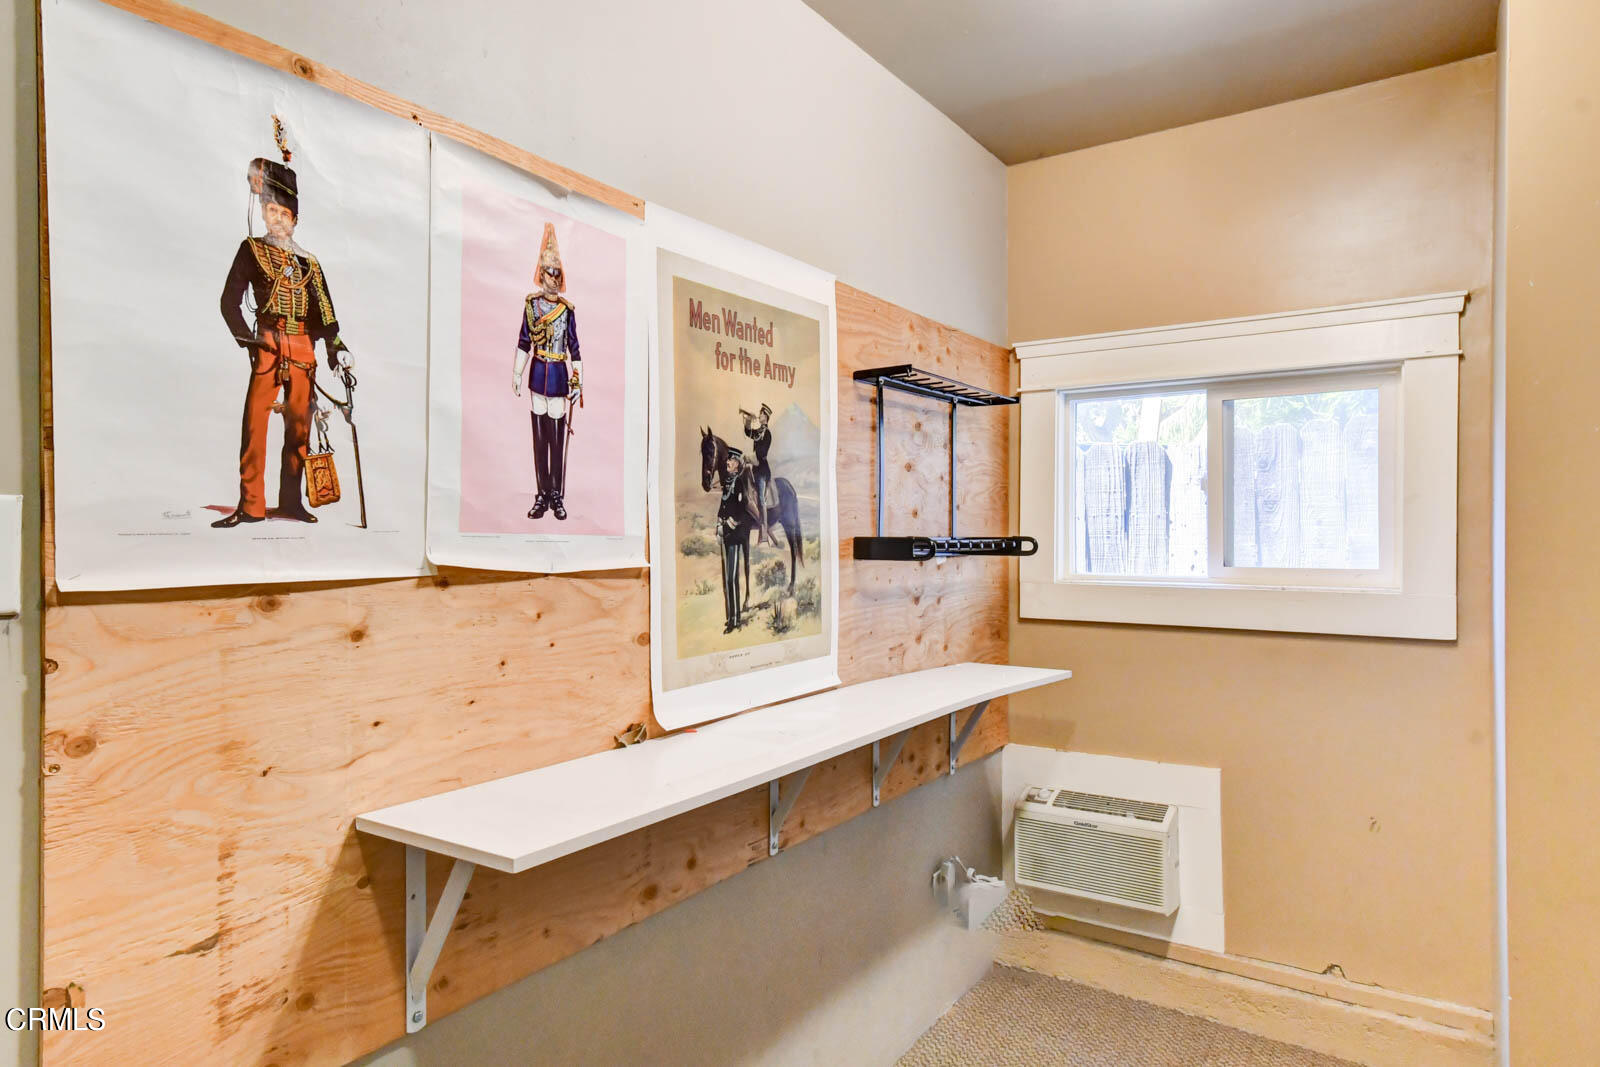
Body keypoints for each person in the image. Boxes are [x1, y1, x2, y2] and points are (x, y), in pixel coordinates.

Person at [214, 116, 352, 528]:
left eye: (284, 213)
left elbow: (325, 313)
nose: (277, 218)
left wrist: (338, 350)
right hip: (269, 343)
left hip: (304, 346)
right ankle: (251, 506)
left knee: (299, 428)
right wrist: (248, 340)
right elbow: (229, 301)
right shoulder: (251, 250)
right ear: (264, 212)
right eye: (270, 210)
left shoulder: (310, 262)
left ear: (295, 219)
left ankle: (291, 502)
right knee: (255, 424)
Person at [513, 224, 581, 521]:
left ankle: (557, 494)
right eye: (547, 272)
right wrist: (517, 373)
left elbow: (574, 350)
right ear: (540, 274)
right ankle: (541, 494)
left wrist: (576, 380)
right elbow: (524, 342)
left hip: (558, 377)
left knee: (556, 437)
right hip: (538, 373)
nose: (552, 278)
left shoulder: (567, 311)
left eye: (556, 273)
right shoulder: (531, 306)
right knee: (539, 437)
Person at [717, 447, 751, 633]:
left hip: (735, 537)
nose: (727, 462)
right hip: (725, 536)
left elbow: (739, 512)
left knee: (731, 579)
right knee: (727, 579)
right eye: (727, 460)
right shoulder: (727, 483)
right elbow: (722, 508)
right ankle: (731, 616)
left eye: (730, 460)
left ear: (737, 463)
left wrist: (725, 527)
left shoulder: (738, 484)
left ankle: (735, 620)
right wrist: (717, 526)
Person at [742, 403, 775, 545]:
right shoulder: (759, 432)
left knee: (761, 499)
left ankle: (764, 535)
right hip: (755, 469)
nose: (759, 415)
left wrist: (747, 457)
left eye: (761, 414)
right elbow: (748, 433)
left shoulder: (767, 434)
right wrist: (749, 419)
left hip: (762, 470)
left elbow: (761, 454)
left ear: (766, 417)